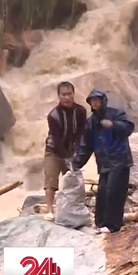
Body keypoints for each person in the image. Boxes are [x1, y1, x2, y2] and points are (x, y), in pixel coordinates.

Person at [71, 88, 134, 233]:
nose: (95, 103)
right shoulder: (91, 123)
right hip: (104, 163)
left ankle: (113, 226)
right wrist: (75, 164)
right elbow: (85, 146)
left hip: (120, 161)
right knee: (103, 193)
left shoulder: (116, 114)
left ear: (104, 101)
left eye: (97, 100)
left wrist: (113, 125)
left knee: (114, 192)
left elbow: (129, 128)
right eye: (92, 101)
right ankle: (100, 224)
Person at [43, 81, 87, 221]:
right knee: (51, 179)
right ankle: (50, 210)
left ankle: (72, 209)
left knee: (72, 180)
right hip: (54, 150)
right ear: (59, 96)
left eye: (69, 94)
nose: (67, 97)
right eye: (64, 95)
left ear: (74, 94)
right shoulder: (53, 116)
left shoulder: (81, 111)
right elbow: (56, 139)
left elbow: (81, 133)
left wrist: (77, 152)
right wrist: (66, 157)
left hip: (71, 150)